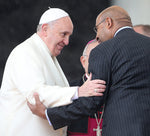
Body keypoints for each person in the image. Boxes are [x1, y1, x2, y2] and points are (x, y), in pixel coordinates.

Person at [27, 5, 150, 136]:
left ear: (108, 22)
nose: (97, 37)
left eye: (97, 29)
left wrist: (48, 114)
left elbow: (92, 102)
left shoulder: (103, 50)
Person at [0, 8, 106, 136]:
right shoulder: (25, 52)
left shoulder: (47, 55)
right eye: (63, 34)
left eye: (69, 36)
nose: (67, 42)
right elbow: (36, 95)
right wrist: (78, 91)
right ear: (45, 29)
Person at [67, 39, 103, 136]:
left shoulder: (118, 89)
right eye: (94, 57)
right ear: (83, 61)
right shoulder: (68, 90)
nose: (100, 62)